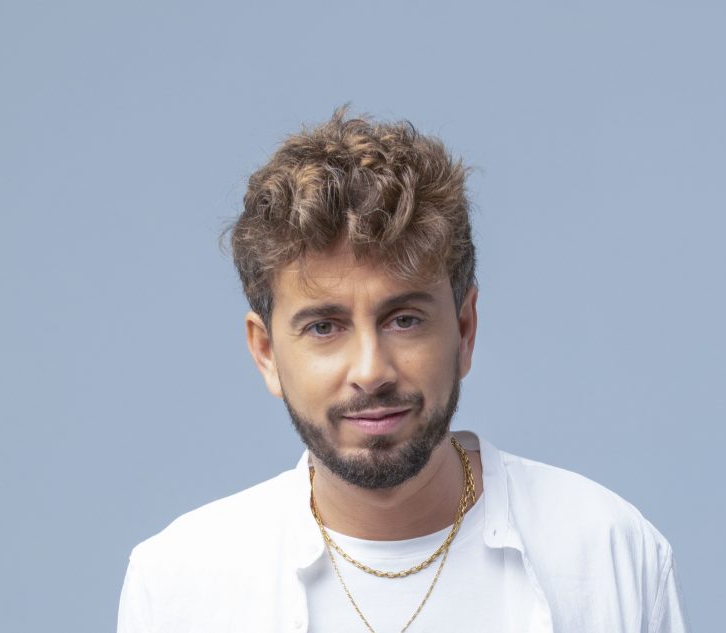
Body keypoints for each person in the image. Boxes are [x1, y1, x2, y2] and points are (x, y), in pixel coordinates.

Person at [117, 108, 689, 633]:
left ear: (464, 328)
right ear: (266, 352)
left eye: (405, 320)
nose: (371, 372)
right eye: (324, 327)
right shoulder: (179, 586)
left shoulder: (607, 552)